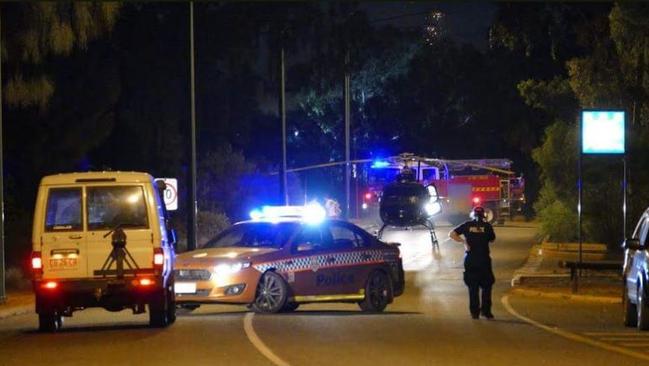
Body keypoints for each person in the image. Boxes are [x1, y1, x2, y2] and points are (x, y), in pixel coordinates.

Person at [449, 206, 496, 319]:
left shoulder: (467, 225)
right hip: (484, 259)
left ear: (472, 215)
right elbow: (492, 239)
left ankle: (474, 312)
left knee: (473, 287)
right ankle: (486, 311)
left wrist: (464, 242)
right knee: (487, 286)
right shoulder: (487, 226)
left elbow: (452, 234)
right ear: (483, 215)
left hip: (470, 259)